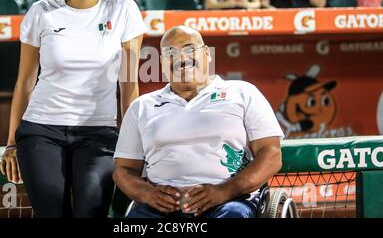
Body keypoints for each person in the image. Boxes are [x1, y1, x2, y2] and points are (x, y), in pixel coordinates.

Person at [0, 0, 147, 218]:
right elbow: (25, 82)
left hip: (98, 134)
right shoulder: (41, 12)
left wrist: (134, 144)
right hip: (41, 130)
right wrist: (11, 142)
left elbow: (129, 84)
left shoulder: (124, 9)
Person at [113, 26, 284, 218]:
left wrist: (224, 191)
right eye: (171, 52)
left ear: (206, 54)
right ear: (161, 62)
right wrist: (148, 194)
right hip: (162, 208)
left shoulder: (243, 92)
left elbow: (271, 154)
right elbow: (123, 170)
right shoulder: (141, 107)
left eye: (189, 49)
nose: (181, 58)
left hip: (230, 201)